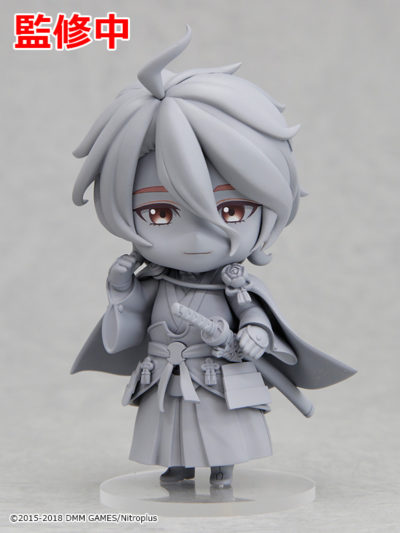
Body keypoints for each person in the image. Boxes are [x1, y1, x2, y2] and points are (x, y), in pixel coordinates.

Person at [71, 27, 355, 488]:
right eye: (160, 213)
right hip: (167, 374)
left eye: (231, 210)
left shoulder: (233, 283)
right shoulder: (156, 281)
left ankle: (224, 467)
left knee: (222, 427)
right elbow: (125, 332)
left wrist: (254, 335)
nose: (198, 236)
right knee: (172, 428)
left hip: (216, 371)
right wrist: (122, 292)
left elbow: (253, 312)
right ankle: (178, 465)